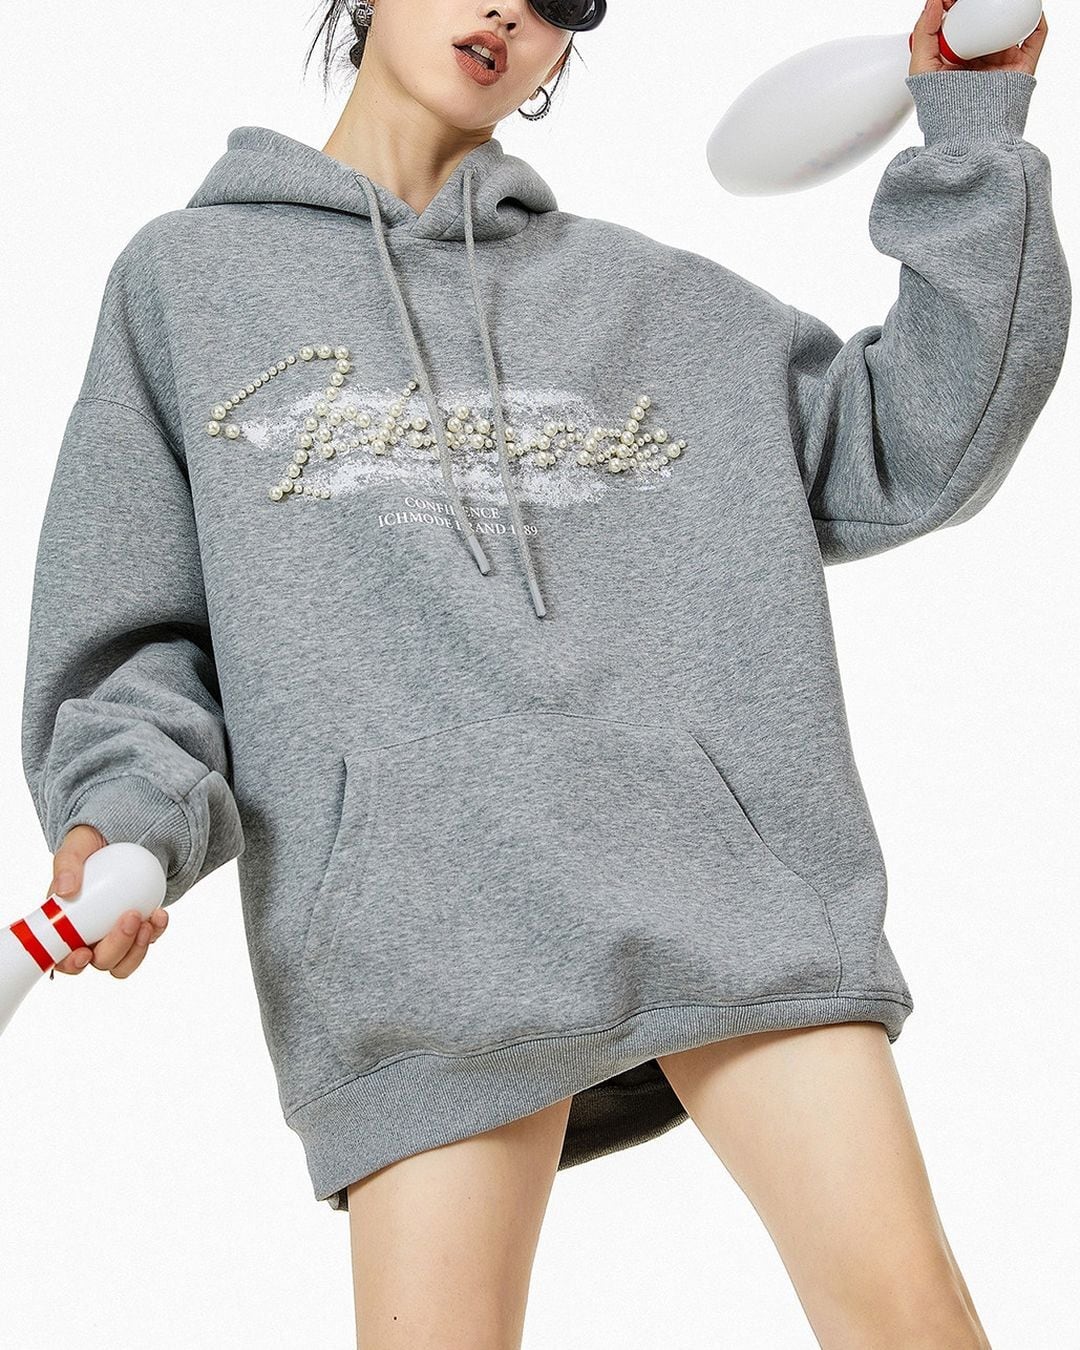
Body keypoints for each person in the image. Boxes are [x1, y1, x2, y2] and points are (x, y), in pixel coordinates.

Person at [21, 0, 1065, 1346]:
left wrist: (969, 140)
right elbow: (136, 632)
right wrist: (124, 816)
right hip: (413, 947)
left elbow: (915, 443)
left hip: (722, 903)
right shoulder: (188, 283)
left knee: (910, 1320)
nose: (509, 6)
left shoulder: (659, 306)